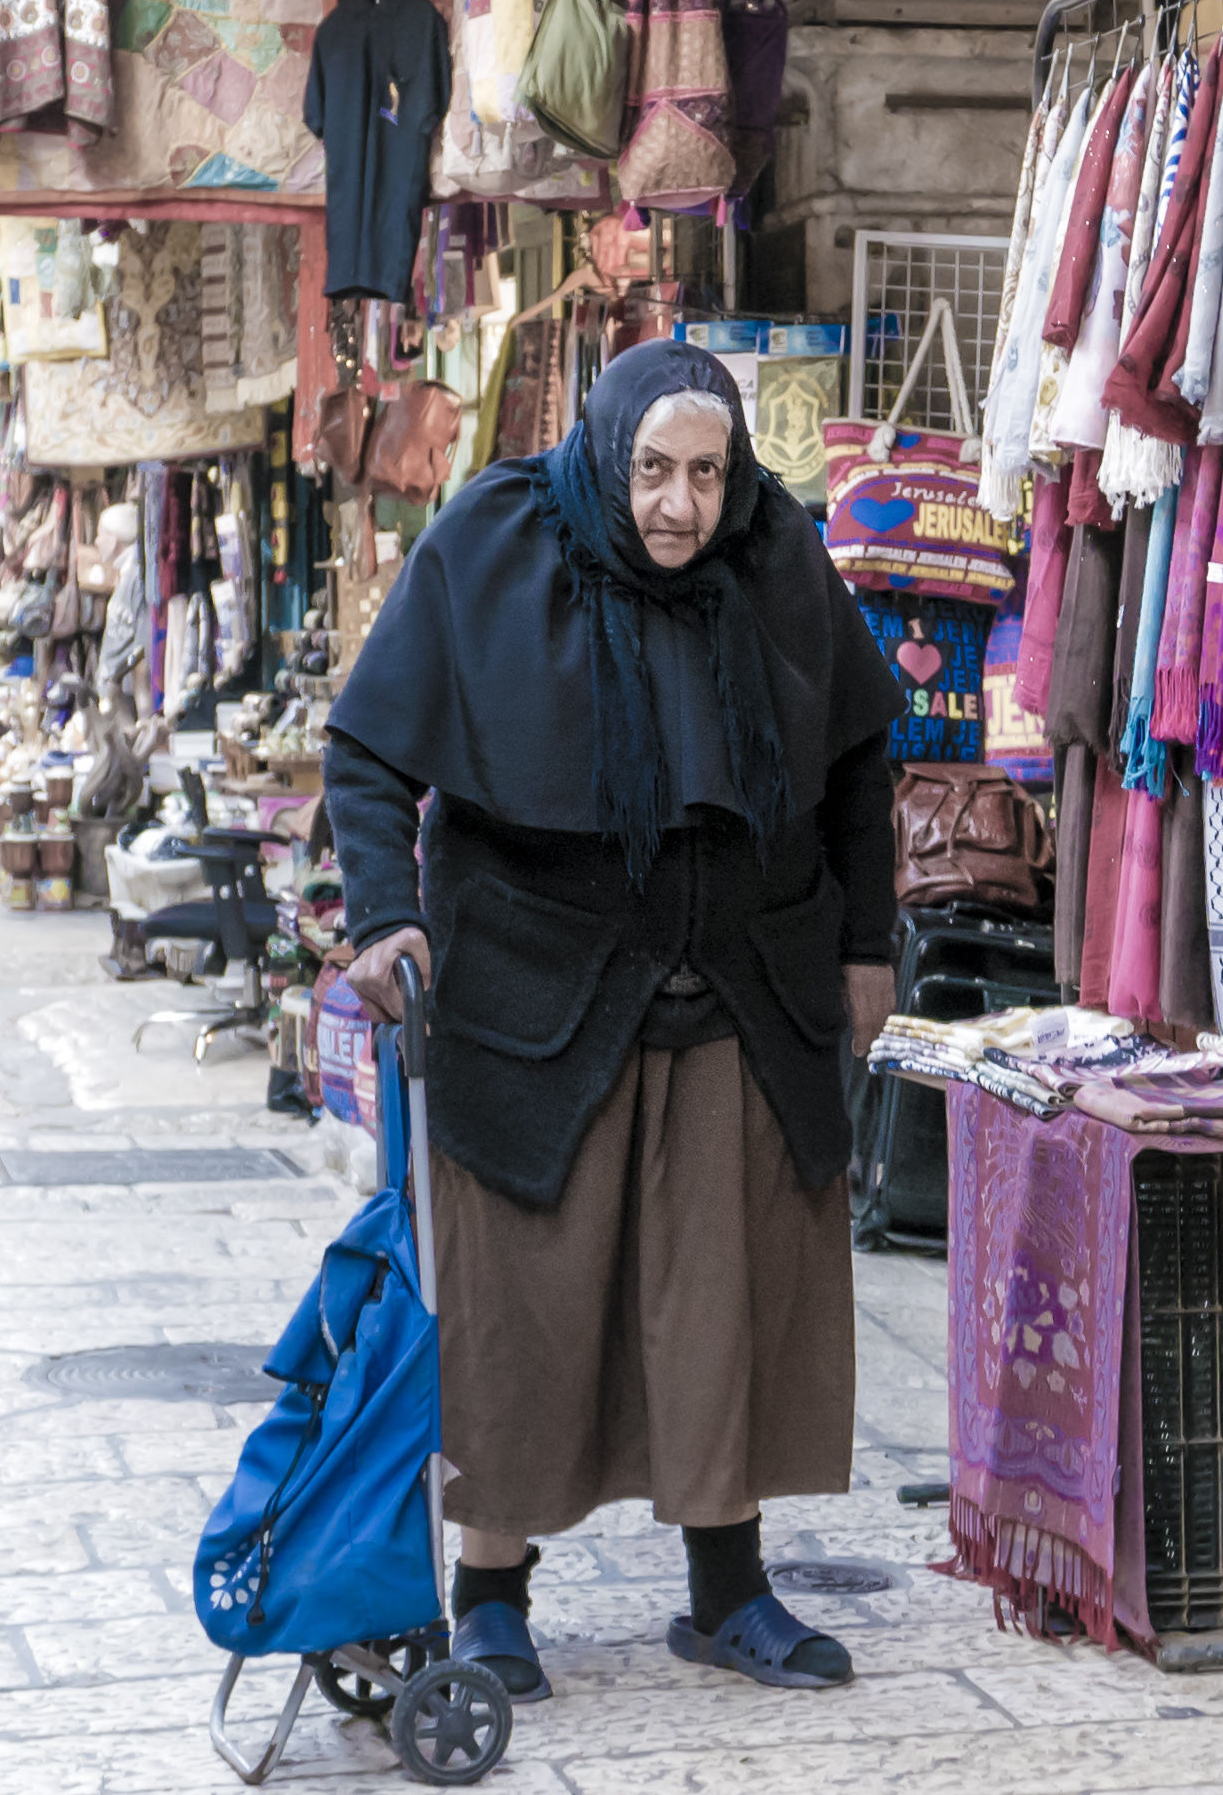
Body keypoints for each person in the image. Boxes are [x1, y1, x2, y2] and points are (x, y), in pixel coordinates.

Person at [321, 340, 901, 1698]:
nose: (680, 505)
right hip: (536, 992)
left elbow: (859, 759)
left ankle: (728, 1590)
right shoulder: (500, 538)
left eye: (705, 472)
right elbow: (369, 748)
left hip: (738, 987)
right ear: (605, 451)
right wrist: (382, 912)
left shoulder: (776, 552)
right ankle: (491, 1595)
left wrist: (868, 945)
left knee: (721, 1296)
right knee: (522, 1301)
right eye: (652, 469)